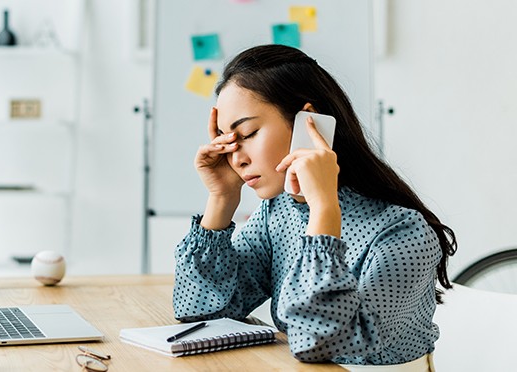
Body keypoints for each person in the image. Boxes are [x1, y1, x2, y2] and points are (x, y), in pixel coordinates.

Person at [172, 44, 456, 371]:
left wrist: (323, 210)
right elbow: (201, 311)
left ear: (311, 124)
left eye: (248, 133)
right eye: (226, 140)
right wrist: (221, 200)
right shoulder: (278, 213)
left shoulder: (404, 233)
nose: (236, 157)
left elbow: (315, 342)